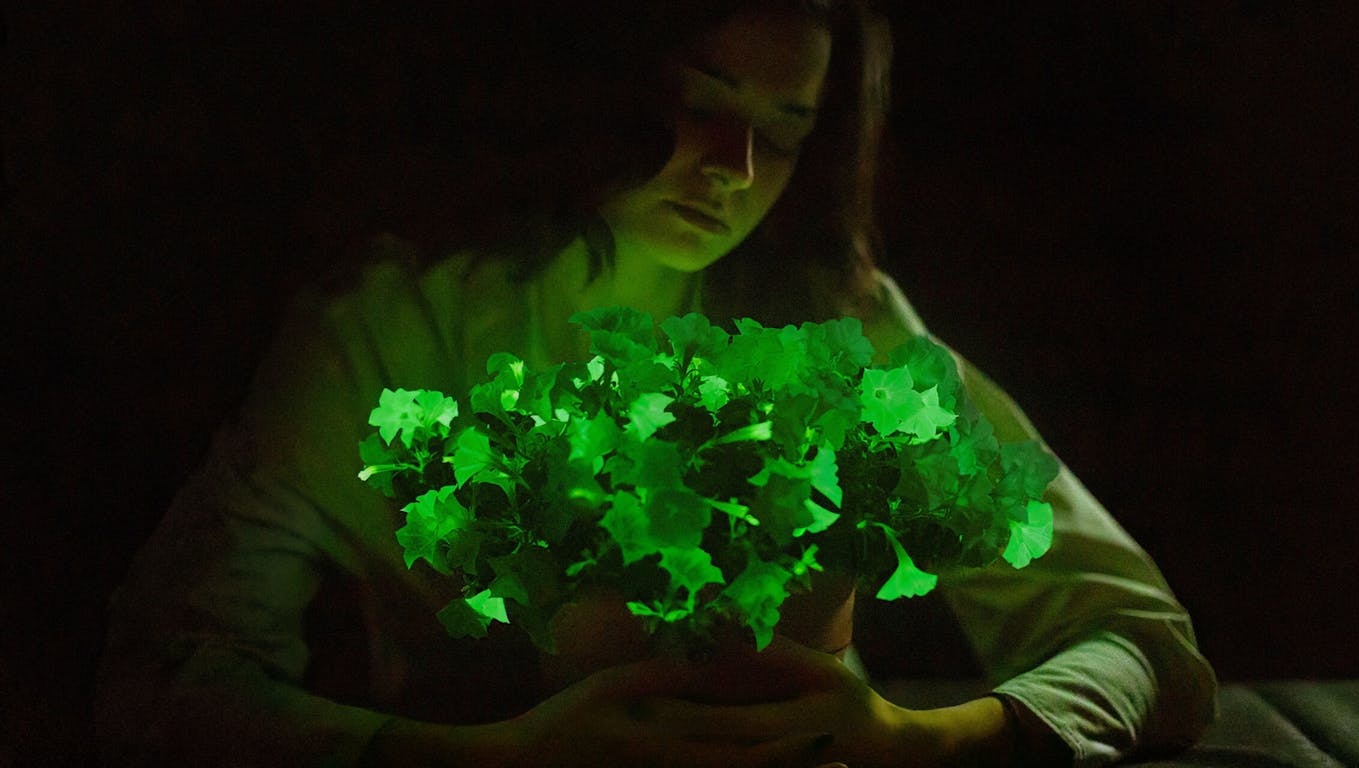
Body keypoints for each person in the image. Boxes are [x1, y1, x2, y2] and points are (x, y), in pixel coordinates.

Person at [95, 2, 1216, 766]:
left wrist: (917, 740)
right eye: (701, 101)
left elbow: (1147, 645)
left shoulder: (842, 325)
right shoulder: (397, 330)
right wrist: (496, 761)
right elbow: (165, 680)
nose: (732, 172)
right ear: (598, 76)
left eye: (785, 131)